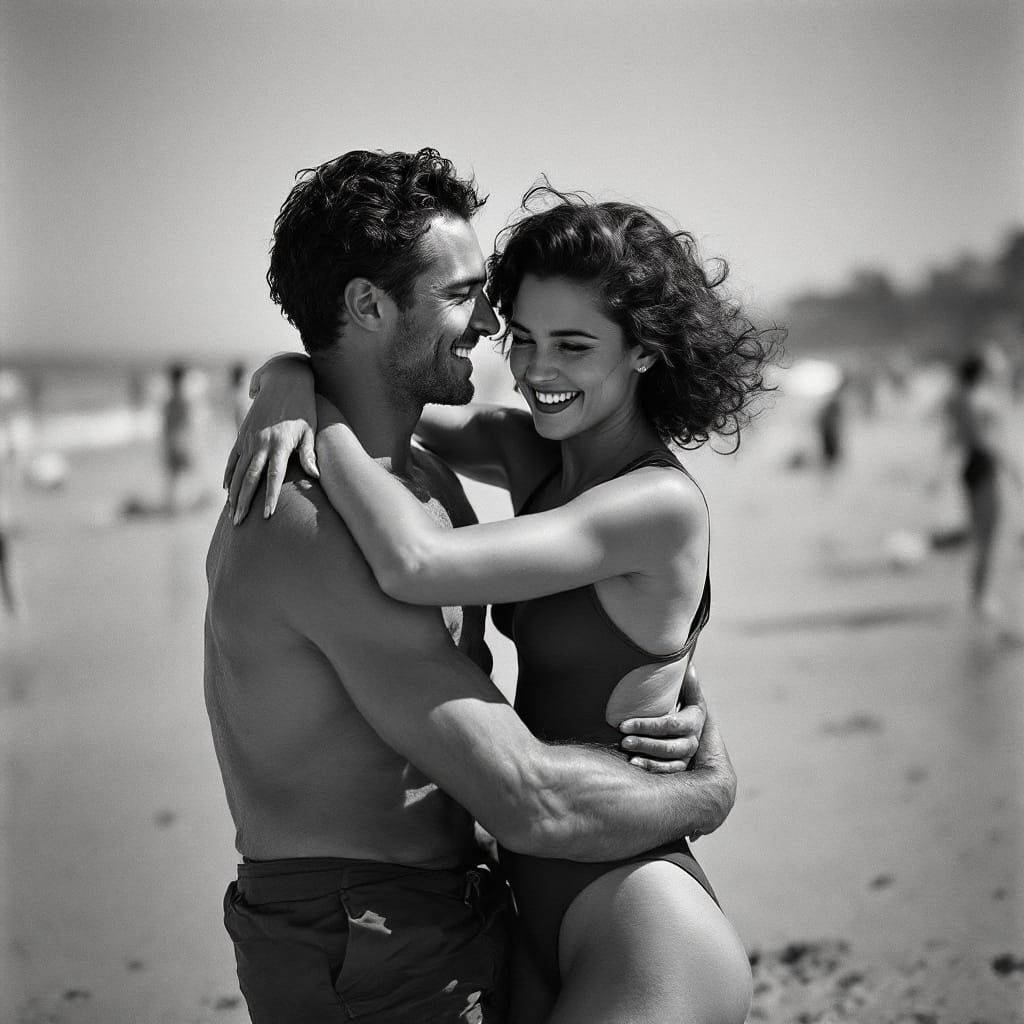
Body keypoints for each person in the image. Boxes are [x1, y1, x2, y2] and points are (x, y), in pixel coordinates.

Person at [228, 171, 782, 1022]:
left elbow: (417, 562)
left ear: (643, 349)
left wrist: (711, 793)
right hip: (523, 905)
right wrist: (283, 377)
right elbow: (390, 405)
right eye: (521, 336)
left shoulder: (656, 504)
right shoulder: (534, 453)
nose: (529, 364)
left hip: (631, 904)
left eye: (573, 345)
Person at [944, 346, 1023, 639]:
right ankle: (979, 598)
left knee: (984, 536)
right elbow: (979, 441)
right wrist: (1012, 469)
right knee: (986, 536)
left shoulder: (958, 396)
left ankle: (979, 595)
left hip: (974, 468)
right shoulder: (965, 398)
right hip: (980, 469)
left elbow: (955, 437)